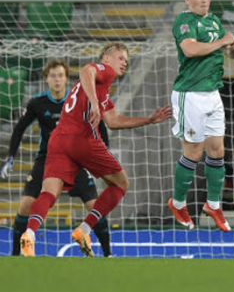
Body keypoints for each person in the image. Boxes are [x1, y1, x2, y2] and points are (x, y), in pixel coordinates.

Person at [19, 42, 172, 257]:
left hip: (58, 140)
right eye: (121, 58)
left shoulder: (101, 92)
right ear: (107, 59)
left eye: (127, 60)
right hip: (82, 139)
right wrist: (93, 103)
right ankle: (84, 230)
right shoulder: (102, 71)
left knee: (48, 193)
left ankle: (29, 235)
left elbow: (114, 121)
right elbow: (86, 69)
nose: (124, 63)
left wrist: (148, 120)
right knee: (121, 183)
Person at [1, 60, 112, 257]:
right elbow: (19, 128)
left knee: (95, 207)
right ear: (46, 79)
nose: (57, 80)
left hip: (76, 160)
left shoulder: (80, 99)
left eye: (61, 75)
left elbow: (100, 127)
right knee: (26, 204)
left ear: (66, 78)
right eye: (53, 76)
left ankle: (108, 254)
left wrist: (102, 157)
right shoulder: (37, 102)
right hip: (47, 159)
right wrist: (10, 157)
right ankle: (15, 256)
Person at [167, 0, 234, 232]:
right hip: (189, 94)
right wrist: (223, 41)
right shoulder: (184, 21)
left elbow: (226, 54)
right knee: (193, 152)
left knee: (217, 151)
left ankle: (213, 205)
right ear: (187, 0)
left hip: (213, 92)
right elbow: (190, 50)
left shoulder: (214, 21)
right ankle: (178, 203)